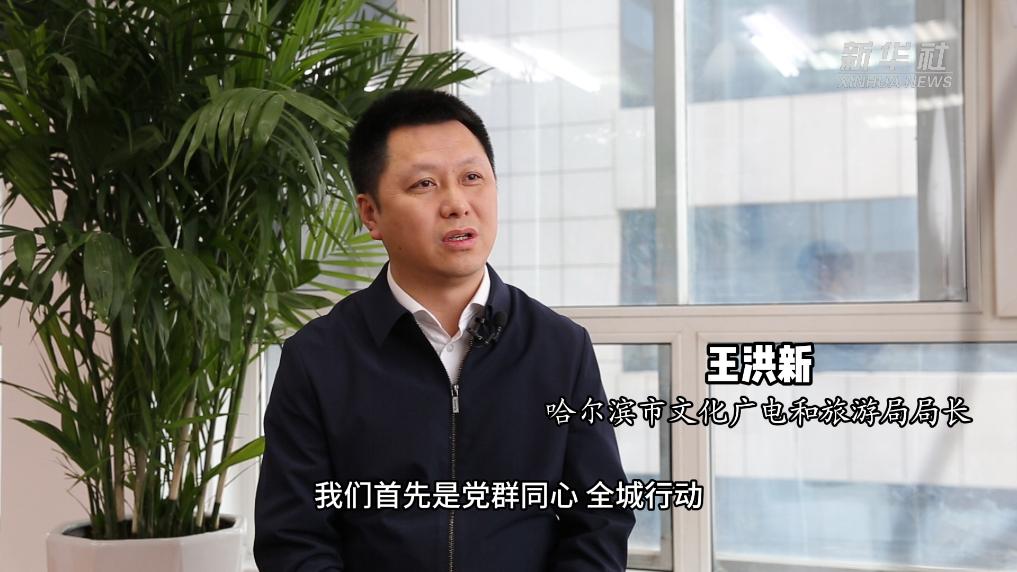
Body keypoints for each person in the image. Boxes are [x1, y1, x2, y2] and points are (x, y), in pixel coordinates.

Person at [254, 89, 635, 572]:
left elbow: (600, 519)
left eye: (472, 177)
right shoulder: (318, 358)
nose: (456, 203)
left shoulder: (560, 348)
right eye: (424, 184)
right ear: (370, 214)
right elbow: (292, 540)